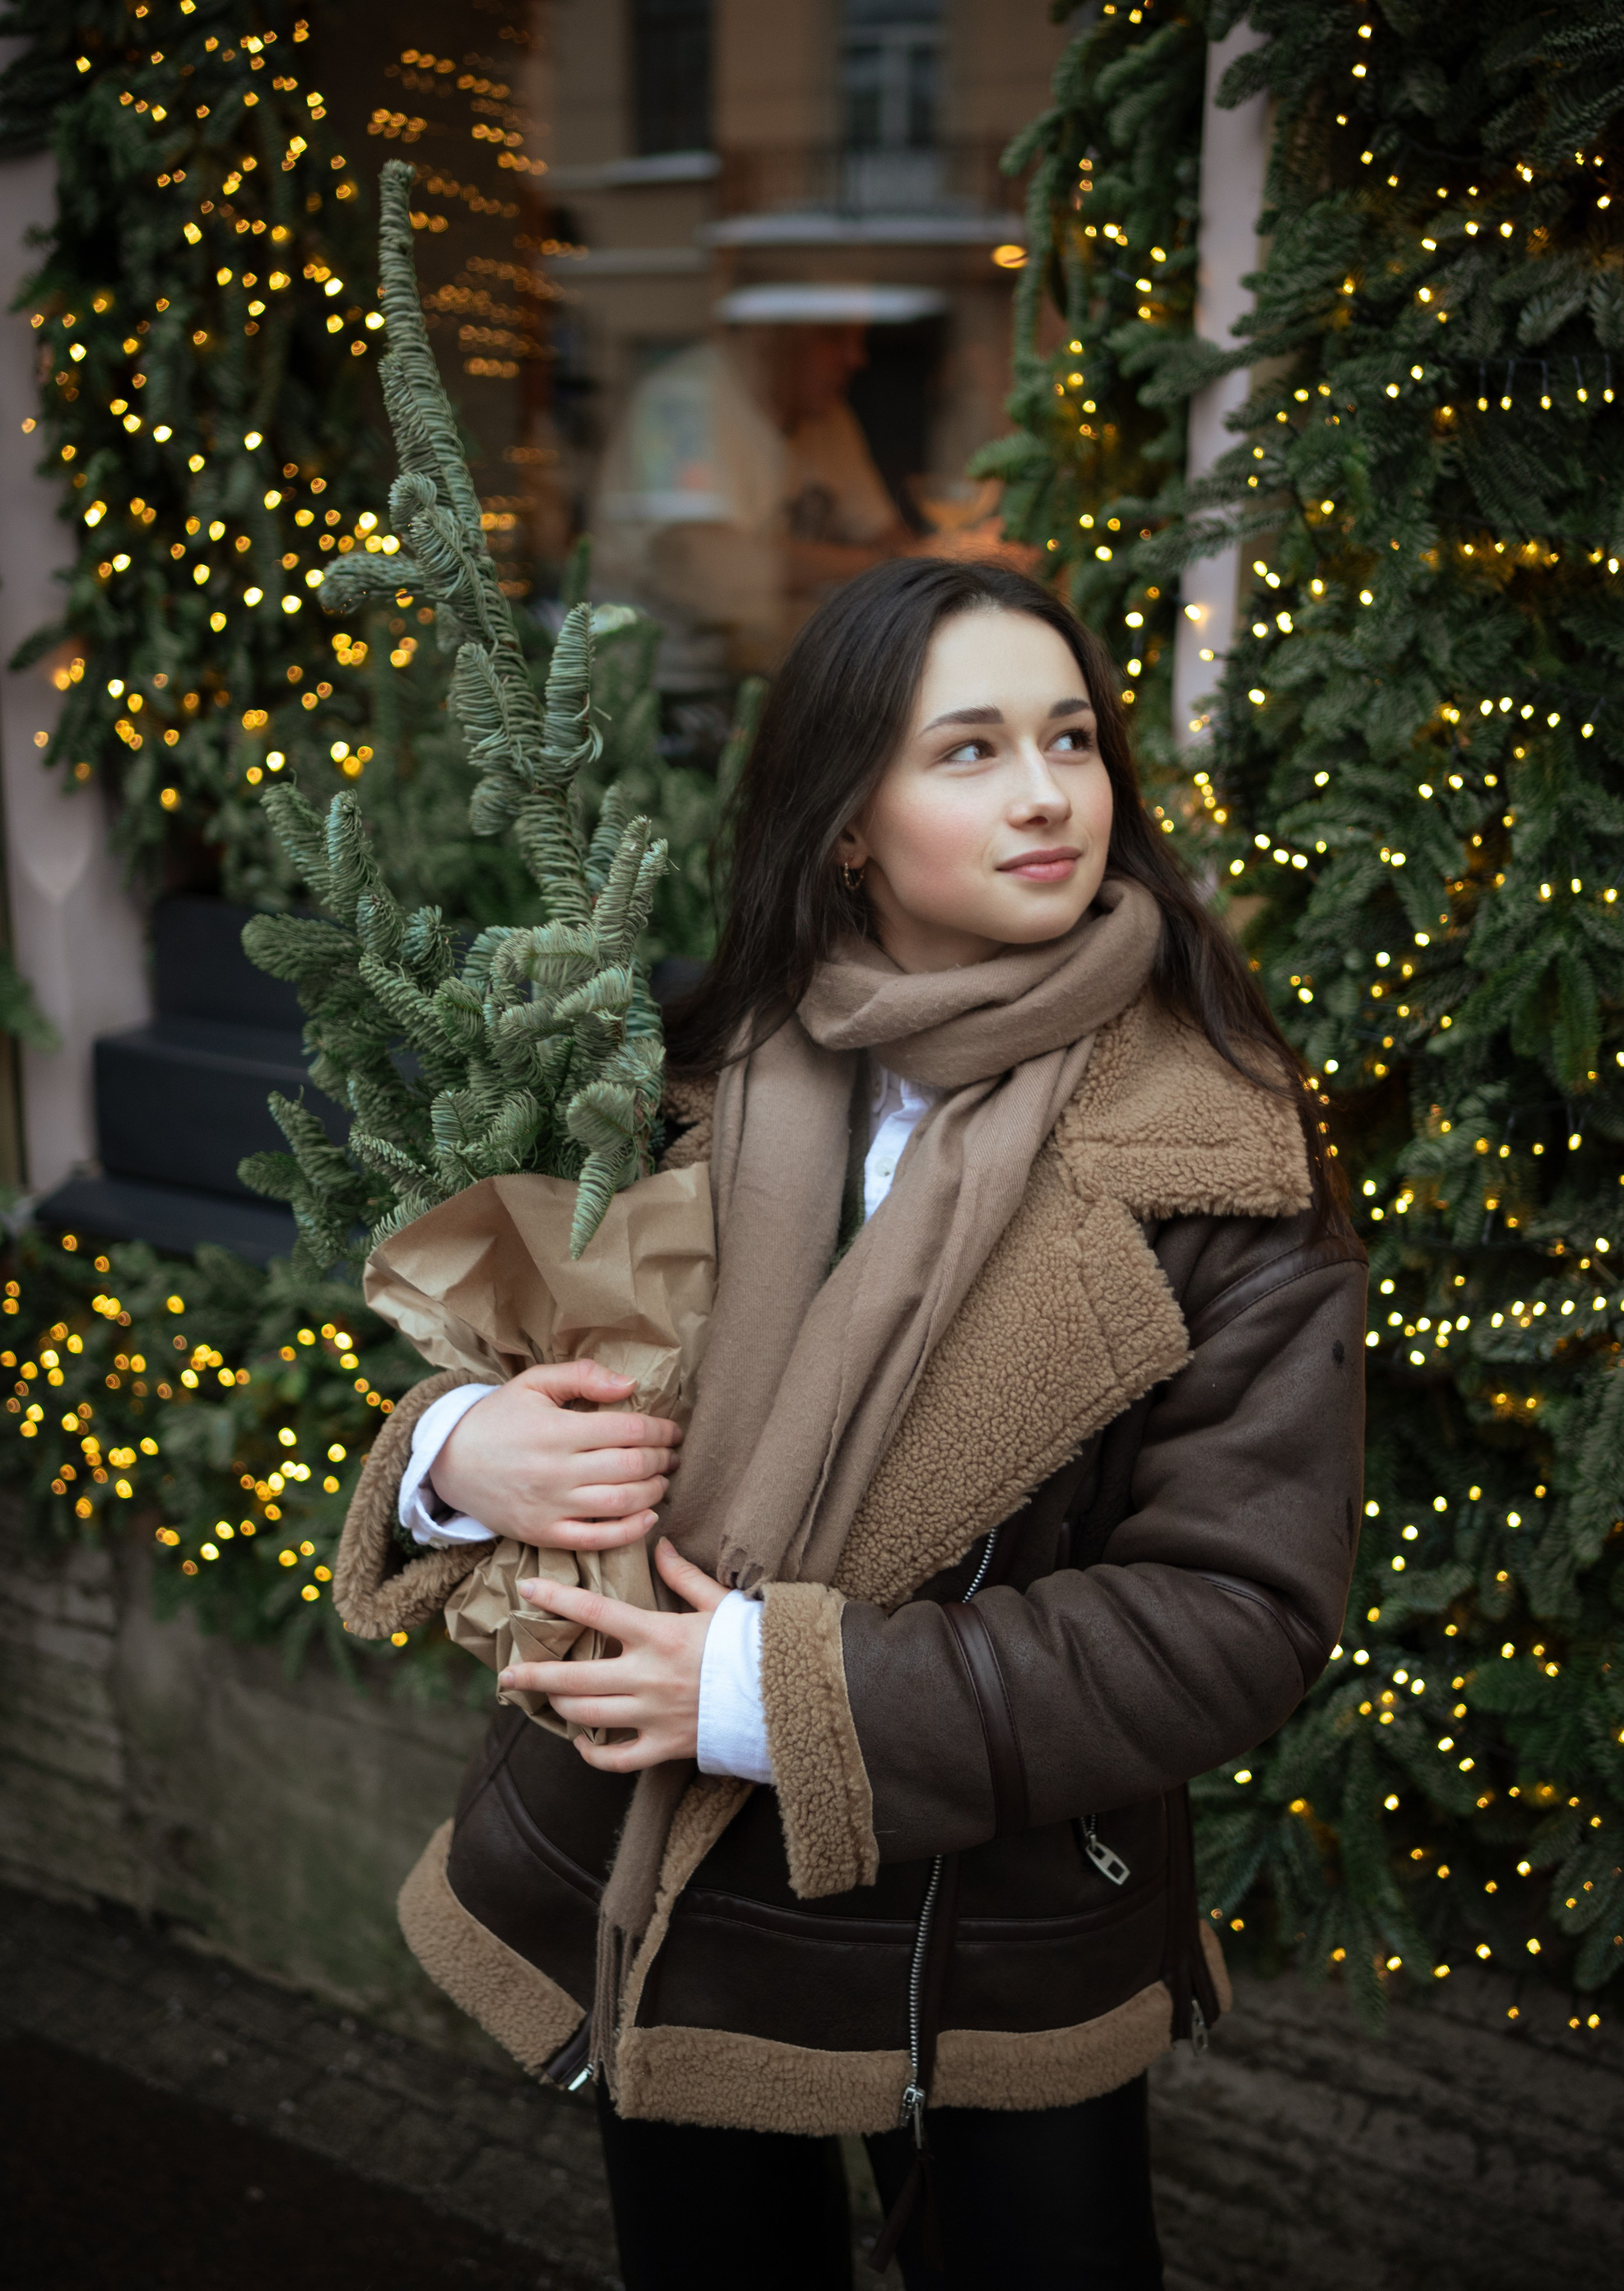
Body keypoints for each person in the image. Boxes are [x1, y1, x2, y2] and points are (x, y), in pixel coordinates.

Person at [334, 558, 1365, 2290]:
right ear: (848, 828)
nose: (1049, 793)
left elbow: (1236, 1618)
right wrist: (455, 1453)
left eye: (1073, 739)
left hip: (994, 1914)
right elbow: (550, 1338)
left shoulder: (1227, 1163)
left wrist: (758, 1690)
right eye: (967, 750)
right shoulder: (698, 1068)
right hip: (661, 1883)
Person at [591, 319, 912, 677]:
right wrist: (894, 563)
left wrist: (919, 559)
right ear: (768, 334)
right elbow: (715, 570)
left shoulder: (829, 417)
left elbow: (883, 533)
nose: (857, 359)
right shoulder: (684, 399)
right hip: (655, 686)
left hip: (771, 673)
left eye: (860, 338)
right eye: (832, 336)